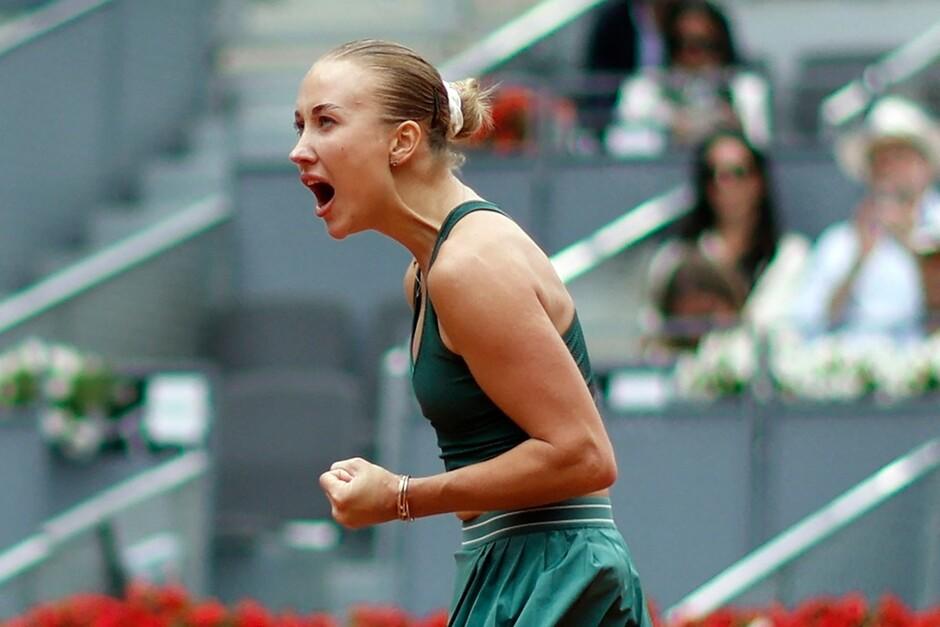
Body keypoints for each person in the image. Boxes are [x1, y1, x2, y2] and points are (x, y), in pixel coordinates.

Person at [289, 40, 651, 626]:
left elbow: (584, 457)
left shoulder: (468, 267)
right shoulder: (428, 273)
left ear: (401, 141)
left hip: (557, 575)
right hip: (518, 567)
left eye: (326, 122)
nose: (299, 150)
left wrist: (401, 496)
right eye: (301, 125)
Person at [791, 96, 940, 342]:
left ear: (924, 166)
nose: (891, 169)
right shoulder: (839, 242)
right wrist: (858, 260)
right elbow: (809, 325)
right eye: (882, 159)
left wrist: (911, 246)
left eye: (901, 157)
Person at [645, 129, 808, 353]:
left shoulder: (791, 256)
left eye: (737, 173)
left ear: (758, 181)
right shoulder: (674, 259)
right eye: (713, 175)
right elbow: (656, 333)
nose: (725, 185)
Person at [605, 0, 771, 156]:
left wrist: (734, 130)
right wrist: (667, 126)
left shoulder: (746, 90)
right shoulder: (642, 91)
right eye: (683, 45)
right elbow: (622, 151)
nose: (696, 57)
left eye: (706, 45)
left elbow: (760, 150)